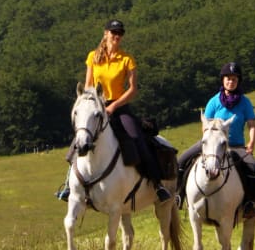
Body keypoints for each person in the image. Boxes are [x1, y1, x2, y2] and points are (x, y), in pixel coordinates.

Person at [58, 19, 171, 203]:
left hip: (118, 106)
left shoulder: (127, 59)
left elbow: (133, 89)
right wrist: (93, 104)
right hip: (97, 105)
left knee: (137, 138)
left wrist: (113, 106)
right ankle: (69, 186)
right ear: (106, 34)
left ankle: (157, 185)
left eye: (120, 33)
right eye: (113, 33)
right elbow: (88, 85)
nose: (117, 36)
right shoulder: (93, 56)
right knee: (80, 139)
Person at [175, 62, 255, 218]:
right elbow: (205, 125)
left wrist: (251, 143)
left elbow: (252, 125)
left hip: (236, 145)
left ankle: (248, 203)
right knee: (182, 159)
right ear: (223, 80)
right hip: (212, 144)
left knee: (252, 166)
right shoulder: (214, 102)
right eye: (228, 79)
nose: (231, 82)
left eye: (234, 79)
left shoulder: (245, 103)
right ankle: (179, 195)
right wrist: (209, 140)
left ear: (238, 82)